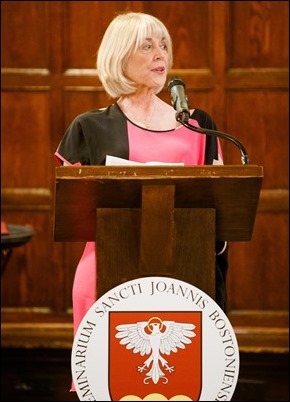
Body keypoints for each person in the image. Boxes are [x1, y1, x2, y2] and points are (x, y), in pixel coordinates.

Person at [54, 11, 228, 391]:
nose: (159, 53)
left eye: (163, 44)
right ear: (119, 56)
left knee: (180, 386)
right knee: (109, 384)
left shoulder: (198, 125)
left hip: (184, 275)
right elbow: (73, 210)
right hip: (106, 274)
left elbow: (222, 207)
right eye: (146, 45)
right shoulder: (90, 127)